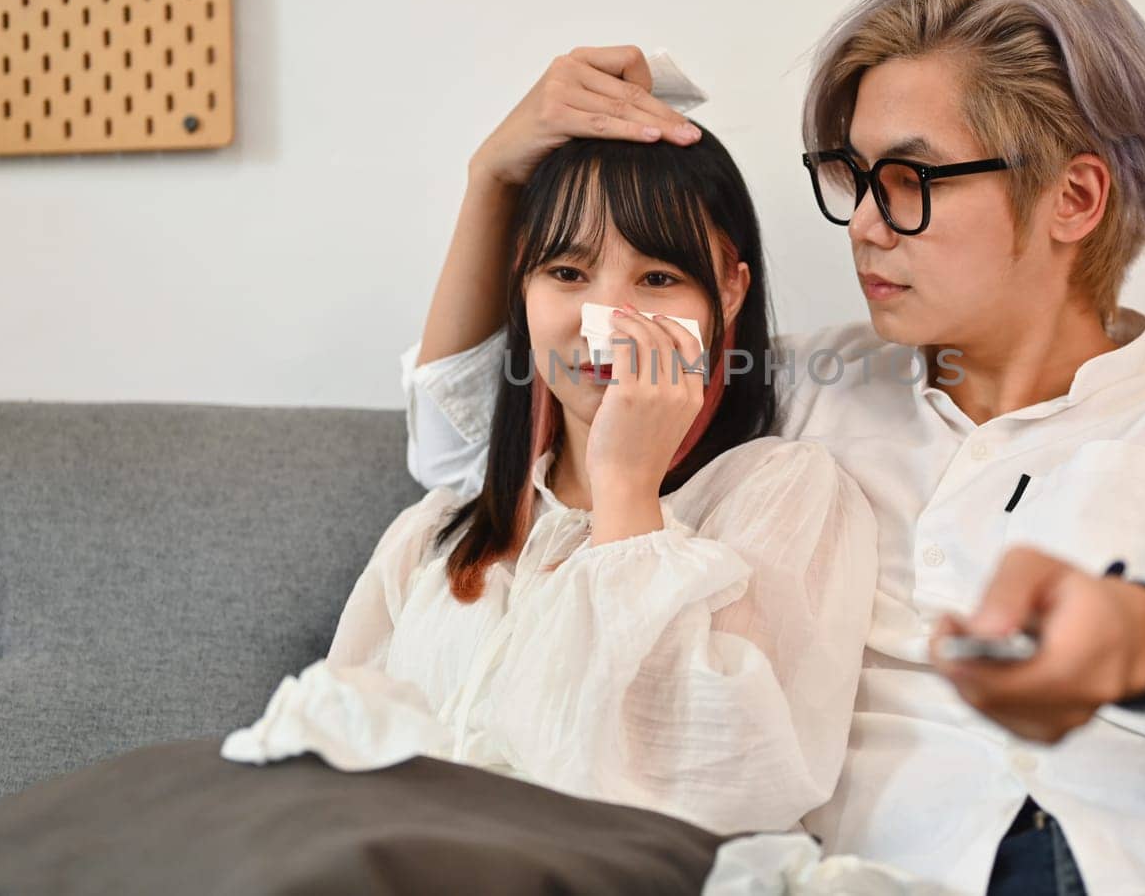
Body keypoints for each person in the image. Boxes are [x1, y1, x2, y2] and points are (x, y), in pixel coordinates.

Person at [404, 0, 1145, 896]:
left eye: (906, 180)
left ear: (1072, 196)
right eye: (850, 176)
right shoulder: (803, 385)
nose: (859, 220)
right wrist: (494, 174)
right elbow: (473, 459)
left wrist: (1136, 643)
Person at [221, 124, 880, 843]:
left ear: (728, 291)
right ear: (524, 288)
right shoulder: (438, 530)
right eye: (568, 274)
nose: (608, 324)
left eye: (658, 278)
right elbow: (335, 755)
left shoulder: (781, 494)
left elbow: (721, 784)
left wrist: (626, 488)